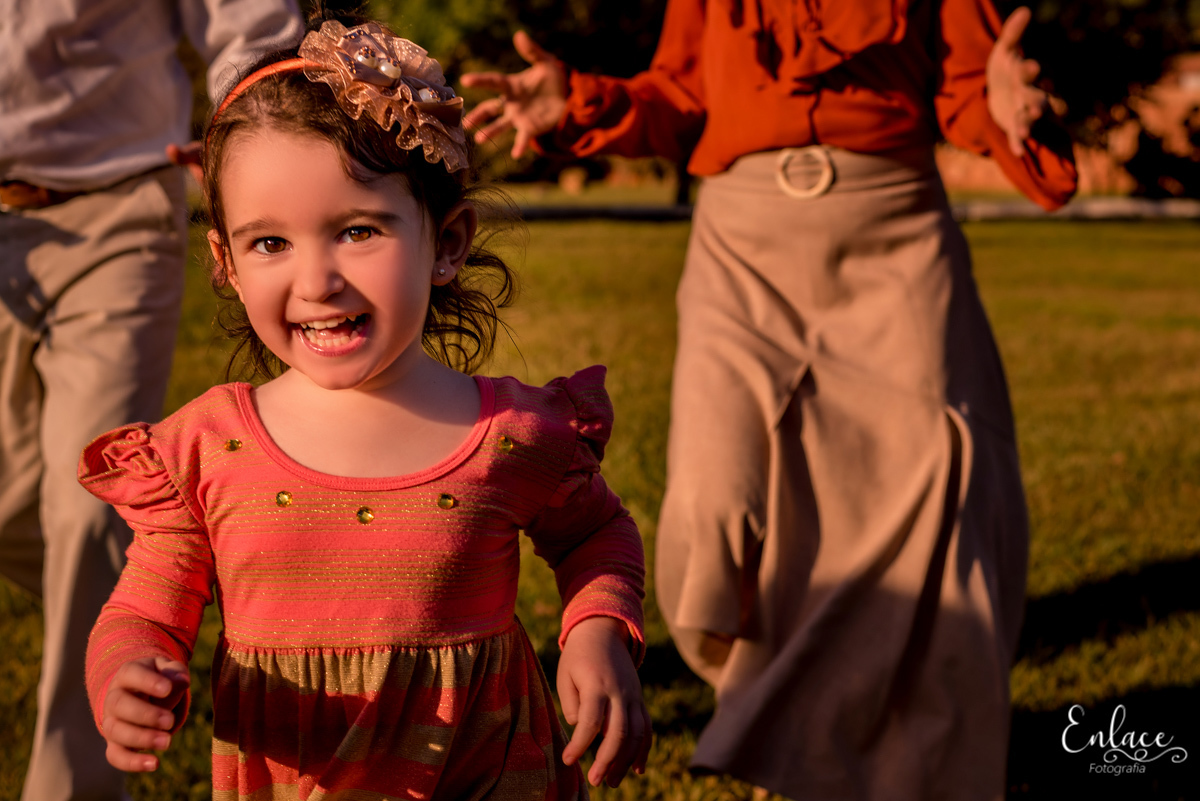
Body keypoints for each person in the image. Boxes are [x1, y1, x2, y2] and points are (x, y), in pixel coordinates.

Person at [461, 2, 1077, 799]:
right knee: (716, 505)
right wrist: (579, 99)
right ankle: (797, 713)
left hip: (896, 230)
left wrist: (1003, 103)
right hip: (742, 245)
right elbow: (681, 95)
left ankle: (919, 765)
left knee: (937, 486)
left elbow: (966, 87)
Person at [78, 14, 651, 800]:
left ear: (447, 242)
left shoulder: (509, 435)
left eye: (356, 231)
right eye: (270, 243)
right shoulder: (208, 448)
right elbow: (147, 607)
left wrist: (596, 632)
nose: (316, 281)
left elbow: (595, 535)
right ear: (227, 263)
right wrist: (127, 670)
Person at [0, 2, 302, 799]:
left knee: (89, 509)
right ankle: (174, 593)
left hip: (117, 203)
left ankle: (76, 782)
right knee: (16, 512)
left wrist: (249, 139)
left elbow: (252, 21)